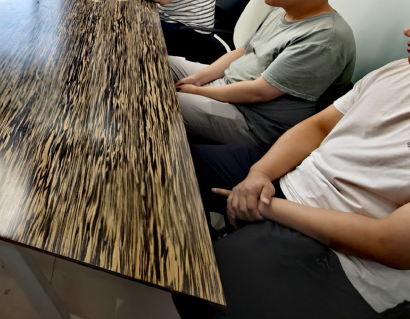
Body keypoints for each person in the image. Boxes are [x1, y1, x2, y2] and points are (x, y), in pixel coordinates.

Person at [174, 25, 410, 318]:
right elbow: (318, 127)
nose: (407, 31)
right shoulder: (396, 71)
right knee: (167, 168)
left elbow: (390, 243)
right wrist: (260, 174)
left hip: (348, 252)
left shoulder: (327, 37)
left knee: (200, 285)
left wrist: (266, 206)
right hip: (296, 177)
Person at [170, 0, 355, 152]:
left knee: (157, 103)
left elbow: (259, 92)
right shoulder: (282, 11)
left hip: (251, 119)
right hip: (227, 85)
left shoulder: (324, 39)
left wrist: (196, 92)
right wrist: (198, 79)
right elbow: (242, 51)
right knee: (156, 63)